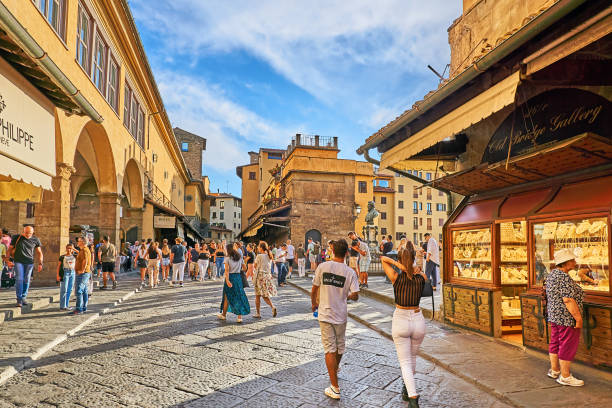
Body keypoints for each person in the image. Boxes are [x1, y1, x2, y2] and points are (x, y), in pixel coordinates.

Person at [311, 239, 359, 400]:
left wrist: (313, 304)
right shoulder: (350, 272)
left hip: (325, 313)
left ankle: (335, 387)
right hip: (341, 314)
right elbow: (355, 295)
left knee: (329, 349)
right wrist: (348, 295)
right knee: (339, 347)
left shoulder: (322, 267)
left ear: (332, 251)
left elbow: (314, 289)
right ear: (346, 253)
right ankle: (335, 369)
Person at [381, 247, 428, 407]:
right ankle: (407, 390)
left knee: (405, 362)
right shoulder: (422, 277)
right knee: (412, 359)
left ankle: (413, 398)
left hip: (401, 319)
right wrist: (411, 267)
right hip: (418, 319)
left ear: (400, 260)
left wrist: (399, 266)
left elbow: (382, 258)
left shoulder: (395, 277)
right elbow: (421, 272)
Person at [545, 249, 585, 387]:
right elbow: (568, 300)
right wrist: (578, 318)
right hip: (566, 318)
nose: (575, 262)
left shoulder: (552, 274)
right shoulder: (564, 277)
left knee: (555, 342)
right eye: (572, 260)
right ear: (566, 262)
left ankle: (555, 370)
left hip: (555, 316)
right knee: (567, 345)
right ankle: (565, 376)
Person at [8, 226, 43, 307]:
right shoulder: (17, 237)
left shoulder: (35, 240)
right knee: (19, 279)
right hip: (18, 261)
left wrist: (40, 263)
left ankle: (24, 297)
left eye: (29, 233)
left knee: (27, 279)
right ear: (23, 231)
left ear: (32, 232)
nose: (27, 234)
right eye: (26, 232)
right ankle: (19, 299)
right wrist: (8, 260)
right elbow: (9, 249)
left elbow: (39, 252)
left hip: (29, 262)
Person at [218, 243, 250, 323]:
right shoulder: (240, 257)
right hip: (238, 277)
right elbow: (245, 268)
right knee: (239, 296)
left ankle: (223, 315)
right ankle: (239, 317)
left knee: (226, 296)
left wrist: (228, 280)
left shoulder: (227, 258)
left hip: (230, 278)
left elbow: (227, 270)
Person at [253, 241, 278, 318]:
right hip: (267, 276)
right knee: (265, 294)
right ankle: (272, 307)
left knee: (258, 295)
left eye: (258, 246)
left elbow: (255, 266)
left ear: (261, 247)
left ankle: (258, 313)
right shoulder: (269, 255)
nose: (257, 247)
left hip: (260, 276)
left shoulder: (259, 256)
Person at [73, 237, 91, 314]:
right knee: (84, 291)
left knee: (79, 290)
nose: (78, 242)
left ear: (83, 242)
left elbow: (85, 260)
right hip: (84, 273)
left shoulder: (85, 250)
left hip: (83, 273)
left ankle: (79, 309)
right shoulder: (84, 250)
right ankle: (83, 307)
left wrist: (82, 270)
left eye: (79, 241)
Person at [57, 243, 76, 311]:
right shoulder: (62, 257)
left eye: (70, 248)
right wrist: (58, 275)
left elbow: (81, 254)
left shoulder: (75, 256)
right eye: (68, 248)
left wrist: (74, 249)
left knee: (70, 289)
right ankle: (62, 306)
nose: (69, 249)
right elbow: (59, 266)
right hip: (65, 272)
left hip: (73, 272)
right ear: (66, 248)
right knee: (64, 289)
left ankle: (66, 304)